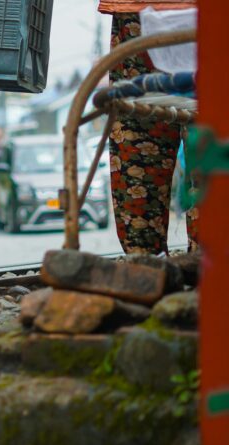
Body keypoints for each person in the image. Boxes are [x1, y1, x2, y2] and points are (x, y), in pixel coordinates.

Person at [98, 0, 198, 255]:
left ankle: (148, 267)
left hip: (140, 13)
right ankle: (208, 268)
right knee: (212, 143)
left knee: (139, 139)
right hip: (147, 13)